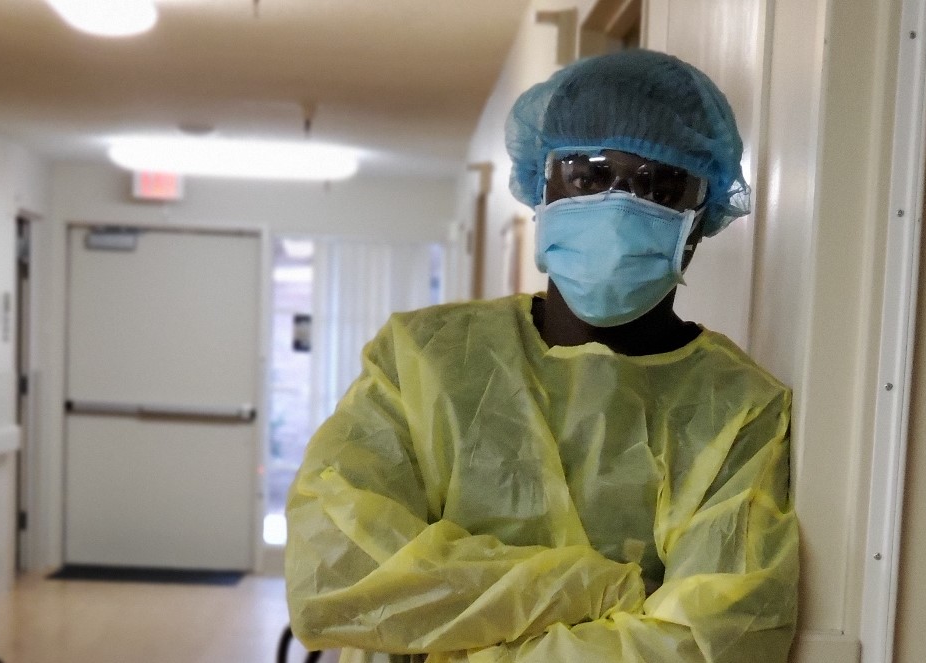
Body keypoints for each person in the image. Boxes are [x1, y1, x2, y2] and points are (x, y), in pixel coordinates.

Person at [286, 49, 799, 663]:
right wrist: (608, 587)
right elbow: (337, 573)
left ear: (699, 216)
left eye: (658, 185)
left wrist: (451, 636)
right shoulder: (423, 361)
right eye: (588, 175)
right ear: (541, 185)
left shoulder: (739, 410)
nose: (619, 203)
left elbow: (708, 641)